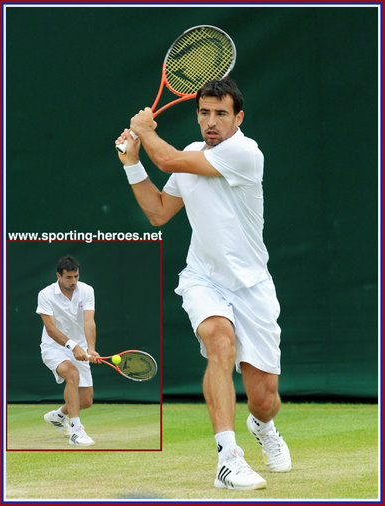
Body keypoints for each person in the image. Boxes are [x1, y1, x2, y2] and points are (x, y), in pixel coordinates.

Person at [115, 79, 291, 489]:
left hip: (252, 286)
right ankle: (228, 460)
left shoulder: (246, 153)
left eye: (221, 114)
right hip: (203, 279)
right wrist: (131, 164)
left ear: (238, 118)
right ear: (197, 115)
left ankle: (262, 427)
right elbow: (159, 212)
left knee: (264, 398)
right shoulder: (190, 154)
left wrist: (144, 131)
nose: (211, 122)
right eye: (204, 113)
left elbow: (168, 161)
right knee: (219, 343)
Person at [36, 255, 100, 446]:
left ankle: (58, 415)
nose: (73, 282)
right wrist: (73, 346)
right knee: (72, 373)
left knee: (86, 400)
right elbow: (51, 329)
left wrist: (91, 349)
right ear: (59, 276)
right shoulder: (45, 294)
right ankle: (76, 431)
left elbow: (89, 321)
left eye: (76, 277)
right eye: (69, 278)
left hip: (80, 347)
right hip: (53, 347)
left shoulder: (87, 290)